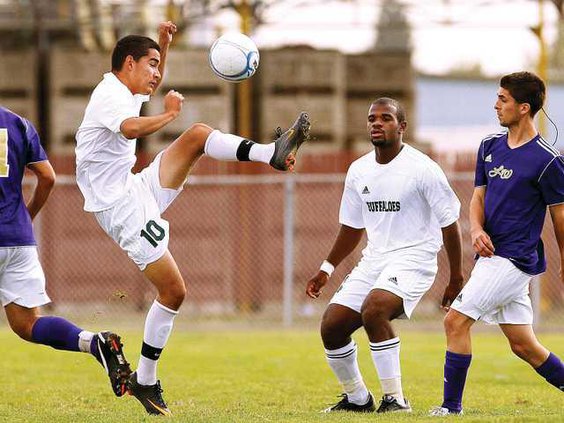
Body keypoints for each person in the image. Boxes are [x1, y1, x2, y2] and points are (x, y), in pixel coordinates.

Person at [75, 22, 310, 416]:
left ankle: (270, 153)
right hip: (120, 207)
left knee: (198, 134)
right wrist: (168, 115)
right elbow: (131, 127)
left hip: (133, 188)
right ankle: (145, 380)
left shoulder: (125, 87)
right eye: (150, 65)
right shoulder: (108, 96)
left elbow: (148, 89)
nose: (156, 74)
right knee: (174, 292)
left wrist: (163, 46)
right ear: (128, 63)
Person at [306, 97, 463, 413]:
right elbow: (352, 228)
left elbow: (450, 224)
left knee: (375, 309)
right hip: (374, 259)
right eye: (372, 118)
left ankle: (396, 400)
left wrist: (456, 276)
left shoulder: (423, 169)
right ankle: (357, 399)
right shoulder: (359, 170)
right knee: (332, 325)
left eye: (386, 118)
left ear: (402, 127)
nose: (377, 123)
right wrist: (326, 268)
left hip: (414, 258)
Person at [430, 71, 564, 417]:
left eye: (502, 99)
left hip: (514, 260)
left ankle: (450, 408)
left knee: (455, 321)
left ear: (523, 108)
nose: (495, 104)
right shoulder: (489, 147)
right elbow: (477, 197)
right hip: (489, 257)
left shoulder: (548, 160)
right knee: (525, 346)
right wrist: (475, 229)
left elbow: (560, 218)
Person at [0, 106, 132, 399]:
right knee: (27, 324)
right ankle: (93, 343)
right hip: (18, 239)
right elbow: (47, 177)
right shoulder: (19, 124)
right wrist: (27, 215)